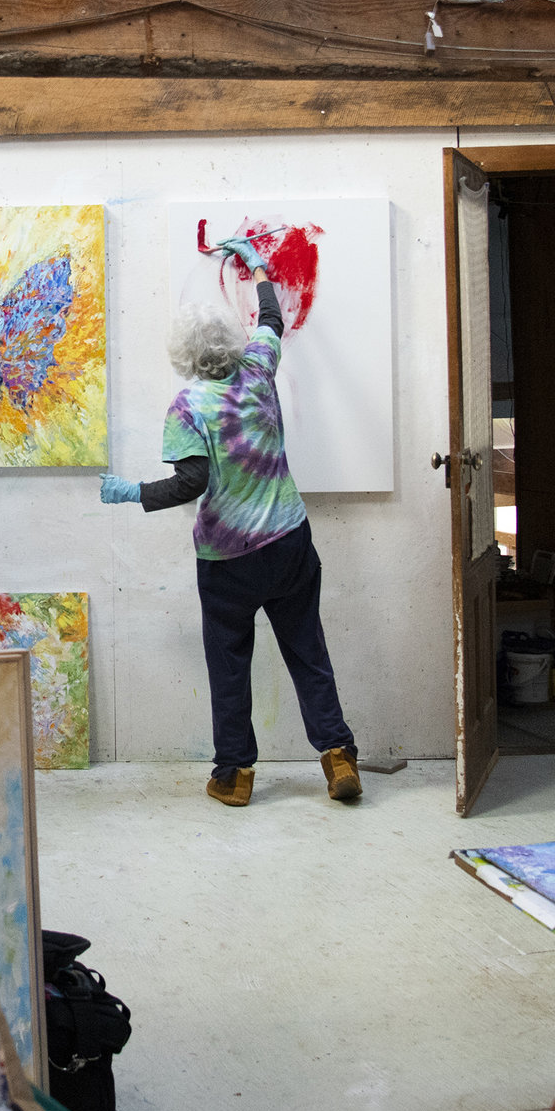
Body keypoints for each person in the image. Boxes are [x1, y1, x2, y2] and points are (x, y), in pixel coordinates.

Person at [99, 236, 360, 808]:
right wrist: (260, 267)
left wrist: (129, 493)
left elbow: (191, 484)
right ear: (230, 340)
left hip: (229, 562)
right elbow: (271, 316)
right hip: (290, 541)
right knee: (307, 649)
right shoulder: (260, 364)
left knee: (229, 665)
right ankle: (338, 757)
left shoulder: (189, 407)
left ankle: (235, 776)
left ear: (184, 356)